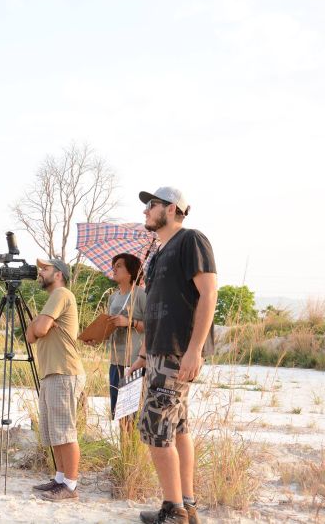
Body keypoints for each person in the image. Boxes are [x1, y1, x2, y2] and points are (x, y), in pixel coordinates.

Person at [126, 187, 217, 524]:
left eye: (151, 205)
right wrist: (145, 353)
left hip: (178, 352)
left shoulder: (191, 239)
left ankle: (173, 510)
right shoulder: (158, 252)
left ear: (172, 208)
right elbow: (156, 309)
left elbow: (208, 295)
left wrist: (194, 350)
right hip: (159, 353)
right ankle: (186, 505)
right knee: (177, 429)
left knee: (154, 430)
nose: (146, 211)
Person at [26, 258, 86, 502]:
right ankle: (60, 478)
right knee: (54, 432)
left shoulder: (61, 293)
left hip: (64, 371)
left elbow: (37, 330)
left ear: (59, 274)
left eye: (46, 268)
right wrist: (39, 324)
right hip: (53, 372)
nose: (40, 272)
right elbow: (32, 336)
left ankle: (70, 485)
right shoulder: (55, 296)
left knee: (65, 431)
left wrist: (39, 323)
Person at [105, 253, 146, 420]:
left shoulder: (142, 295)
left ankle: (134, 447)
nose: (114, 269)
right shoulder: (113, 297)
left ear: (130, 272)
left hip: (134, 362)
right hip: (115, 361)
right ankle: (125, 447)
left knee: (132, 416)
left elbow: (155, 326)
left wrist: (130, 322)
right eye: (113, 266)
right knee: (119, 413)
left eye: (119, 266)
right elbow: (109, 326)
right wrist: (96, 337)